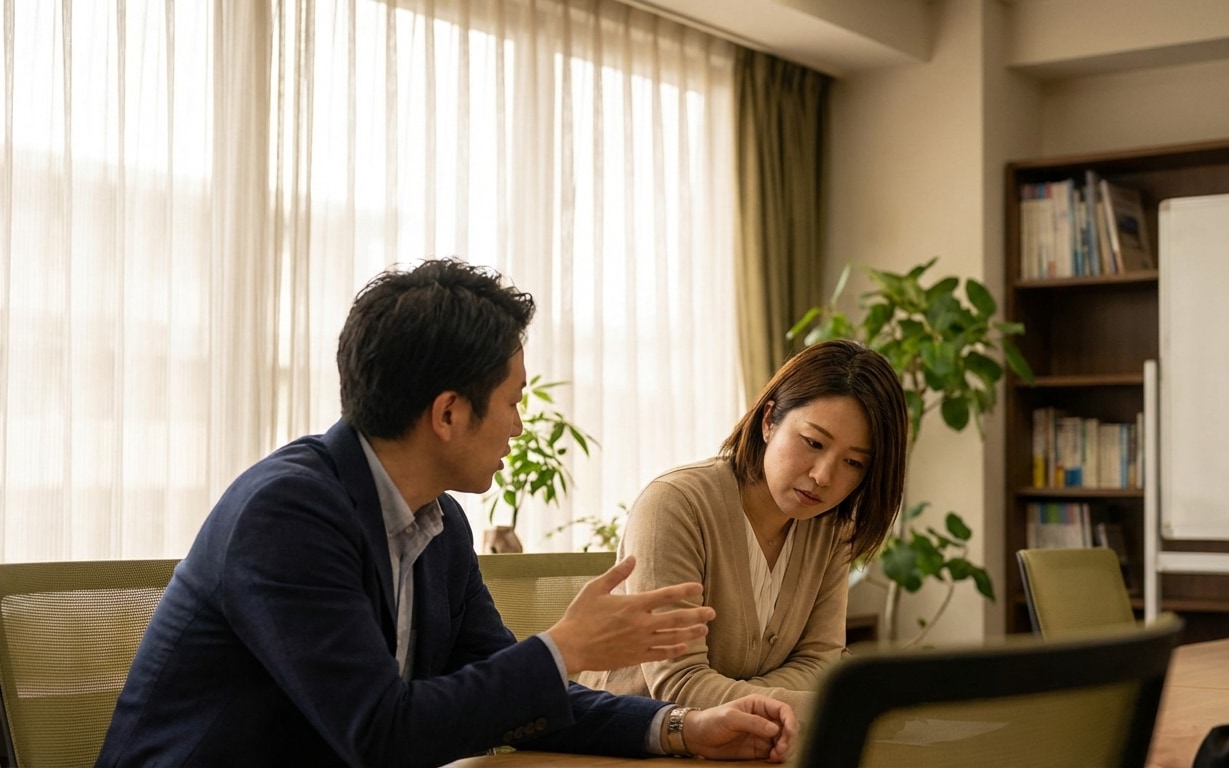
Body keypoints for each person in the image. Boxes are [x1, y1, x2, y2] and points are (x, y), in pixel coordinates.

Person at [95, 259, 798, 768]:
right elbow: (379, 735)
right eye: (514, 400)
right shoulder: (286, 514)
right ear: (449, 413)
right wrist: (566, 649)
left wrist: (682, 727)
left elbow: (513, 698)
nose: (520, 426)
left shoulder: (436, 522)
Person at [578, 339, 908, 717]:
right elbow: (679, 683)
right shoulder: (676, 504)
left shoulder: (832, 528)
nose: (823, 476)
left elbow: (819, 662)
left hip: (752, 748)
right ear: (769, 421)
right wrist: (824, 708)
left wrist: (746, 702)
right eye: (813, 442)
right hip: (634, 745)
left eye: (853, 463)